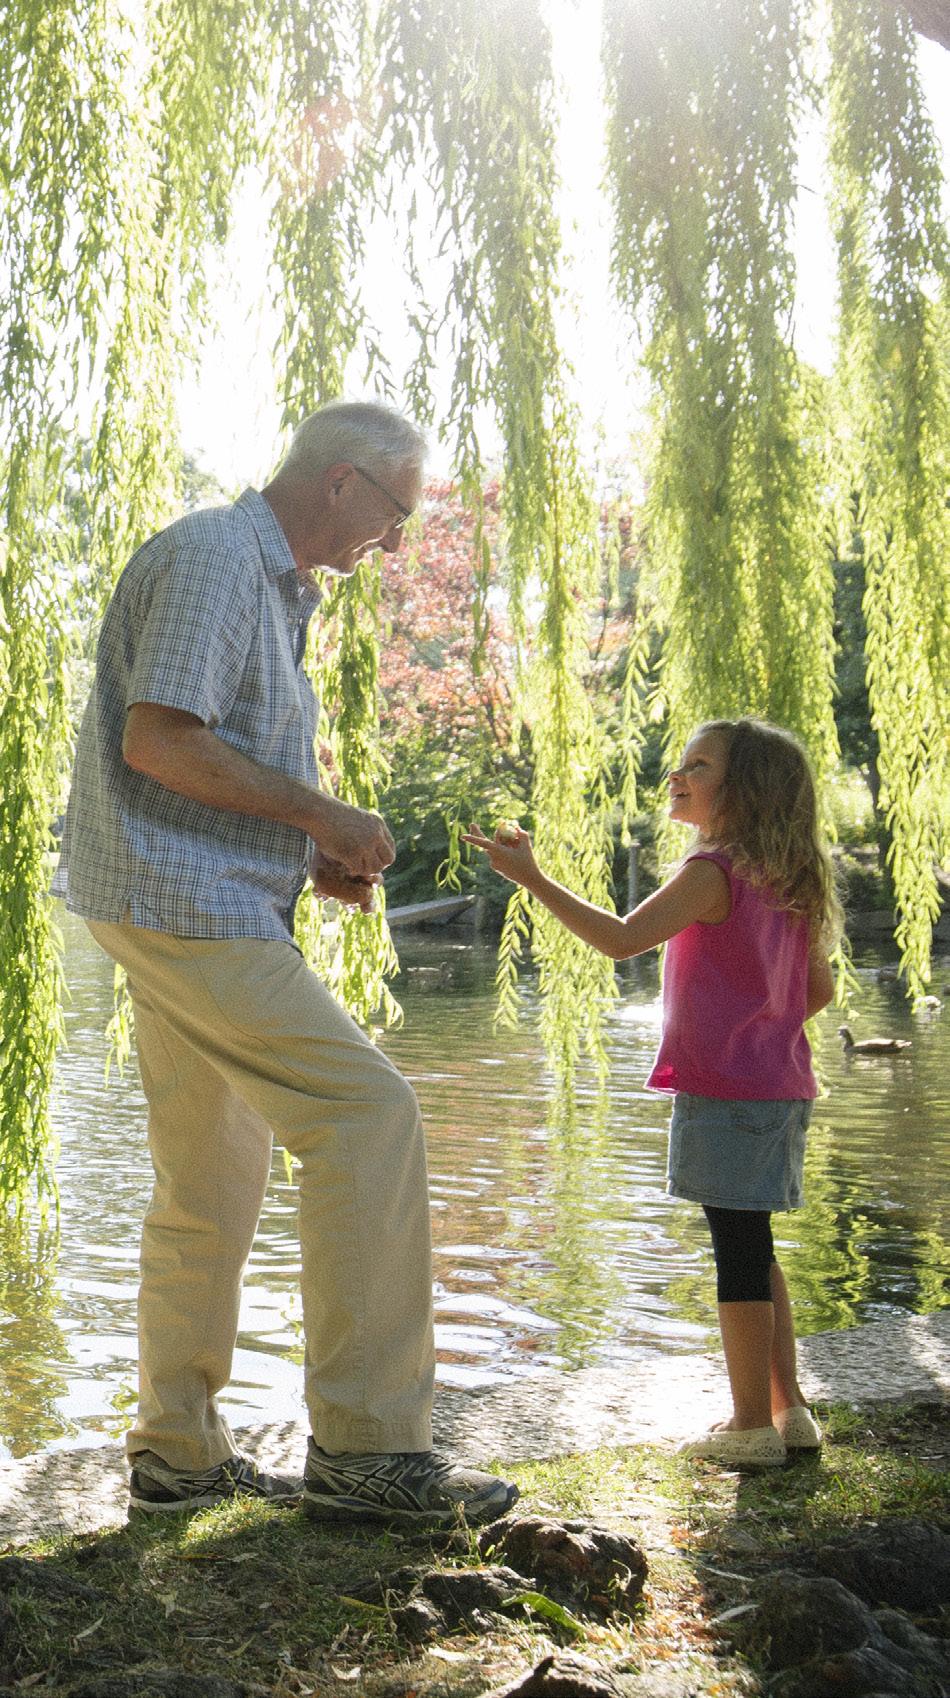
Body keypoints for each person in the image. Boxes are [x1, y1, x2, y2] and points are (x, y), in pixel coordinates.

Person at [54, 399, 518, 1525]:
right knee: (367, 1120)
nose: (396, 545)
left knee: (211, 1182)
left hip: (178, 893)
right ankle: (368, 1450)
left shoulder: (264, 583)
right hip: (183, 906)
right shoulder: (218, 558)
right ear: (342, 482)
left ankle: (178, 1451)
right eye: (396, 516)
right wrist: (318, 810)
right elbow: (156, 737)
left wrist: (298, 848)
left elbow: (197, 757)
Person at [464, 717, 839, 1468]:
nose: (677, 775)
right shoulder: (789, 877)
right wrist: (757, 1024)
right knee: (754, 1244)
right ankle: (787, 1409)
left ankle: (748, 1429)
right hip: (779, 1086)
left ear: (744, 790)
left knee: (737, 1251)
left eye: (698, 766)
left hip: (728, 1092)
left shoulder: (714, 873)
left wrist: (531, 878)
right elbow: (819, 988)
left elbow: (620, 939)